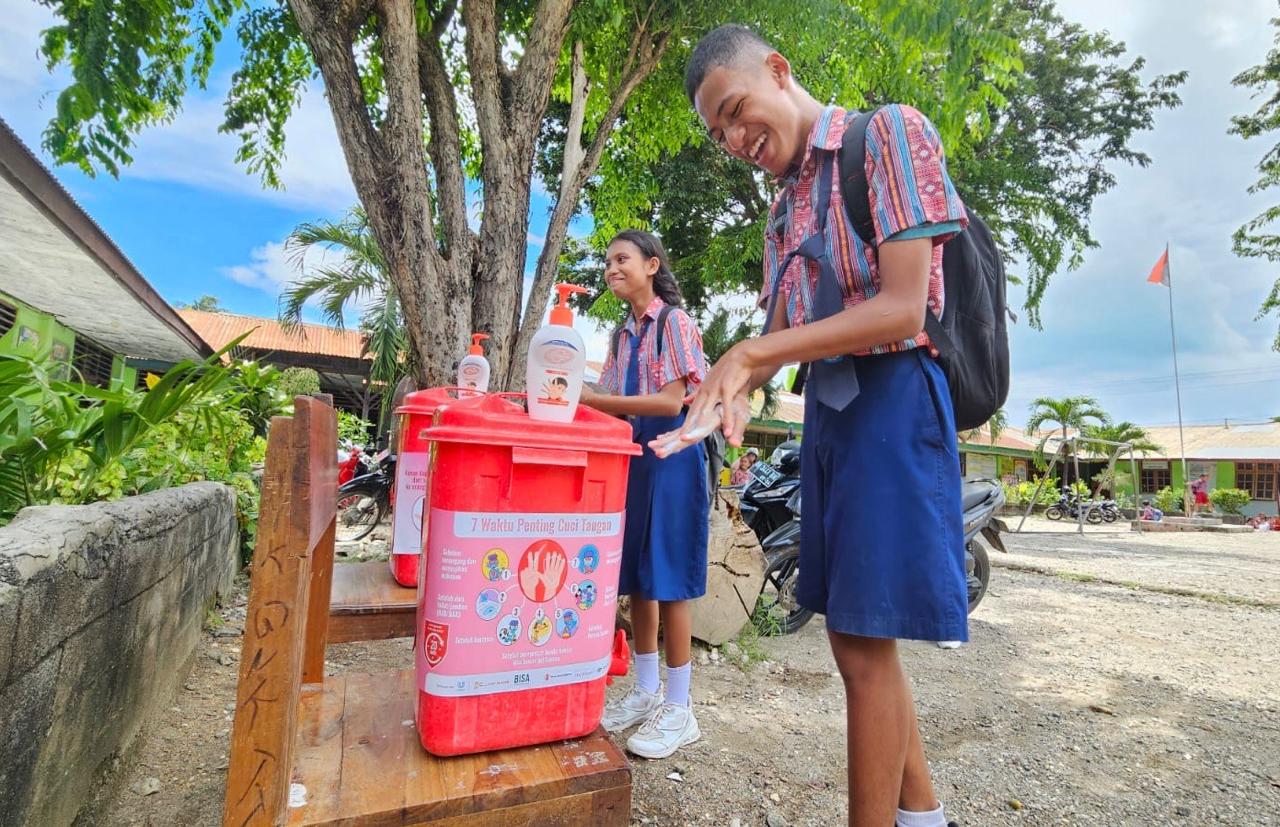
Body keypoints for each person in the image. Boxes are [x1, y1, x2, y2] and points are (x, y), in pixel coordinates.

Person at [681, 25, 968, 827]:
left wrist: (755, 349)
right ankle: (924, 816)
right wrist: (725, 395)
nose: (735, 139)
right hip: (831, 416)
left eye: (737, 111)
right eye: (718, 133)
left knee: (863, 640)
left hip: (896, 396)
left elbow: (903, 304)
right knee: (852, 638)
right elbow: (775, 342)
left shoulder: (889, 134)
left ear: (778, 71)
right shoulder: (782, 211)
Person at [579, 229, 710, 760]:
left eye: (622, 259)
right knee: (636, 575)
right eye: (607, 261)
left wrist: (598, 401)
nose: (612, 268)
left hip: (673, 458)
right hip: (632, 459)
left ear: (652, 265)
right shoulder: (620, 336)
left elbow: (669, 401)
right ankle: (646, 690)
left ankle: (681, 709)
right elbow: (608, 395)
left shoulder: (673, 324)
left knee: (670, 577)